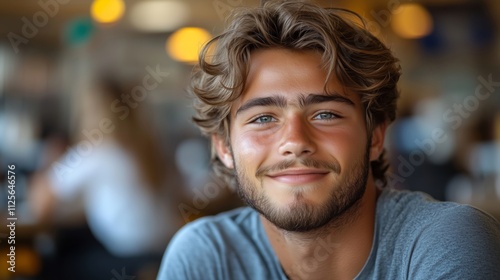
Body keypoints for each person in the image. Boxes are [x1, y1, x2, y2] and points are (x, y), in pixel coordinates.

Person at [158, 1, 500, 279]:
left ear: (376, 136)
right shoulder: (206, 256)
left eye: (326, 115)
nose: (294, 141)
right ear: (223, 147)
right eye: (263, 119)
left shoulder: (445, 241)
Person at [29, 76, 183, 279]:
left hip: (128, 260)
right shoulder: (153, 151)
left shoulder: (98, 150)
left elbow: (41, 206)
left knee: (49, 262)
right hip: (166, 253)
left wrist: (49, 162)